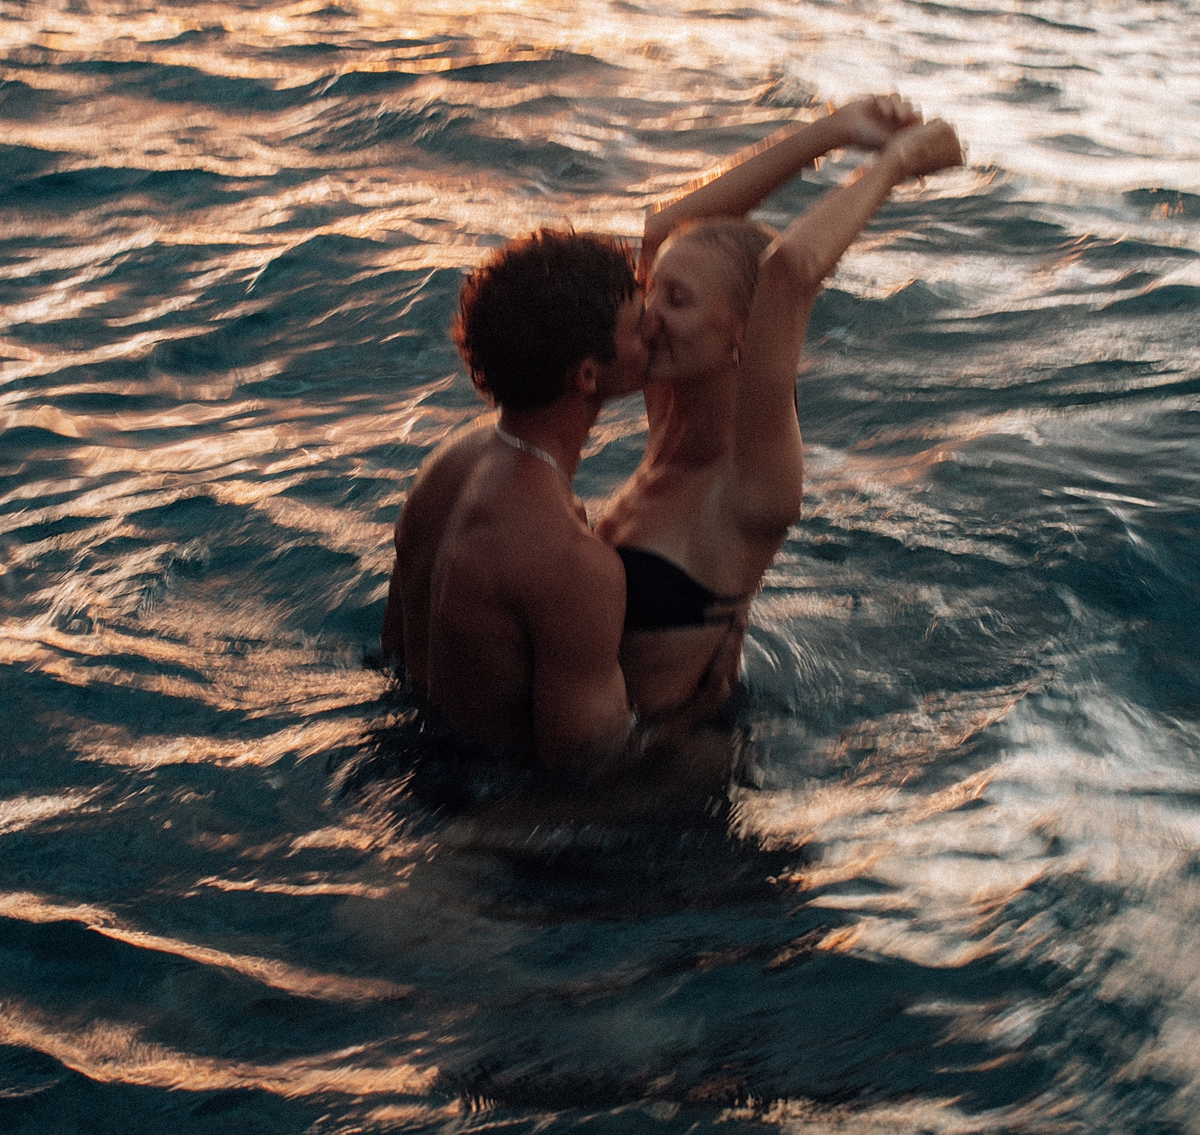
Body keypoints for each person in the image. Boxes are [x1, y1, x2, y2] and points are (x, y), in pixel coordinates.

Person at [596, 96, 964, 720]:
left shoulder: (752, 478)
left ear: (744, 334)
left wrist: (895, 163)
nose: (647, 313)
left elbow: (789, 269)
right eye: (652, 292)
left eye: (676, 300)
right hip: (586, 762)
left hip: (664, 790)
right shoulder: (671, 406)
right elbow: (661, 234)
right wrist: (837, 129)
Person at [380, 227, 649, 773]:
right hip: (494, 824)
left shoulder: (447, 467)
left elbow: (392, 659)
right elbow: (589, 780)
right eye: (642, 329)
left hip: (408, 759)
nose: (658, 332)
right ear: (587, 375)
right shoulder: (572, 562)